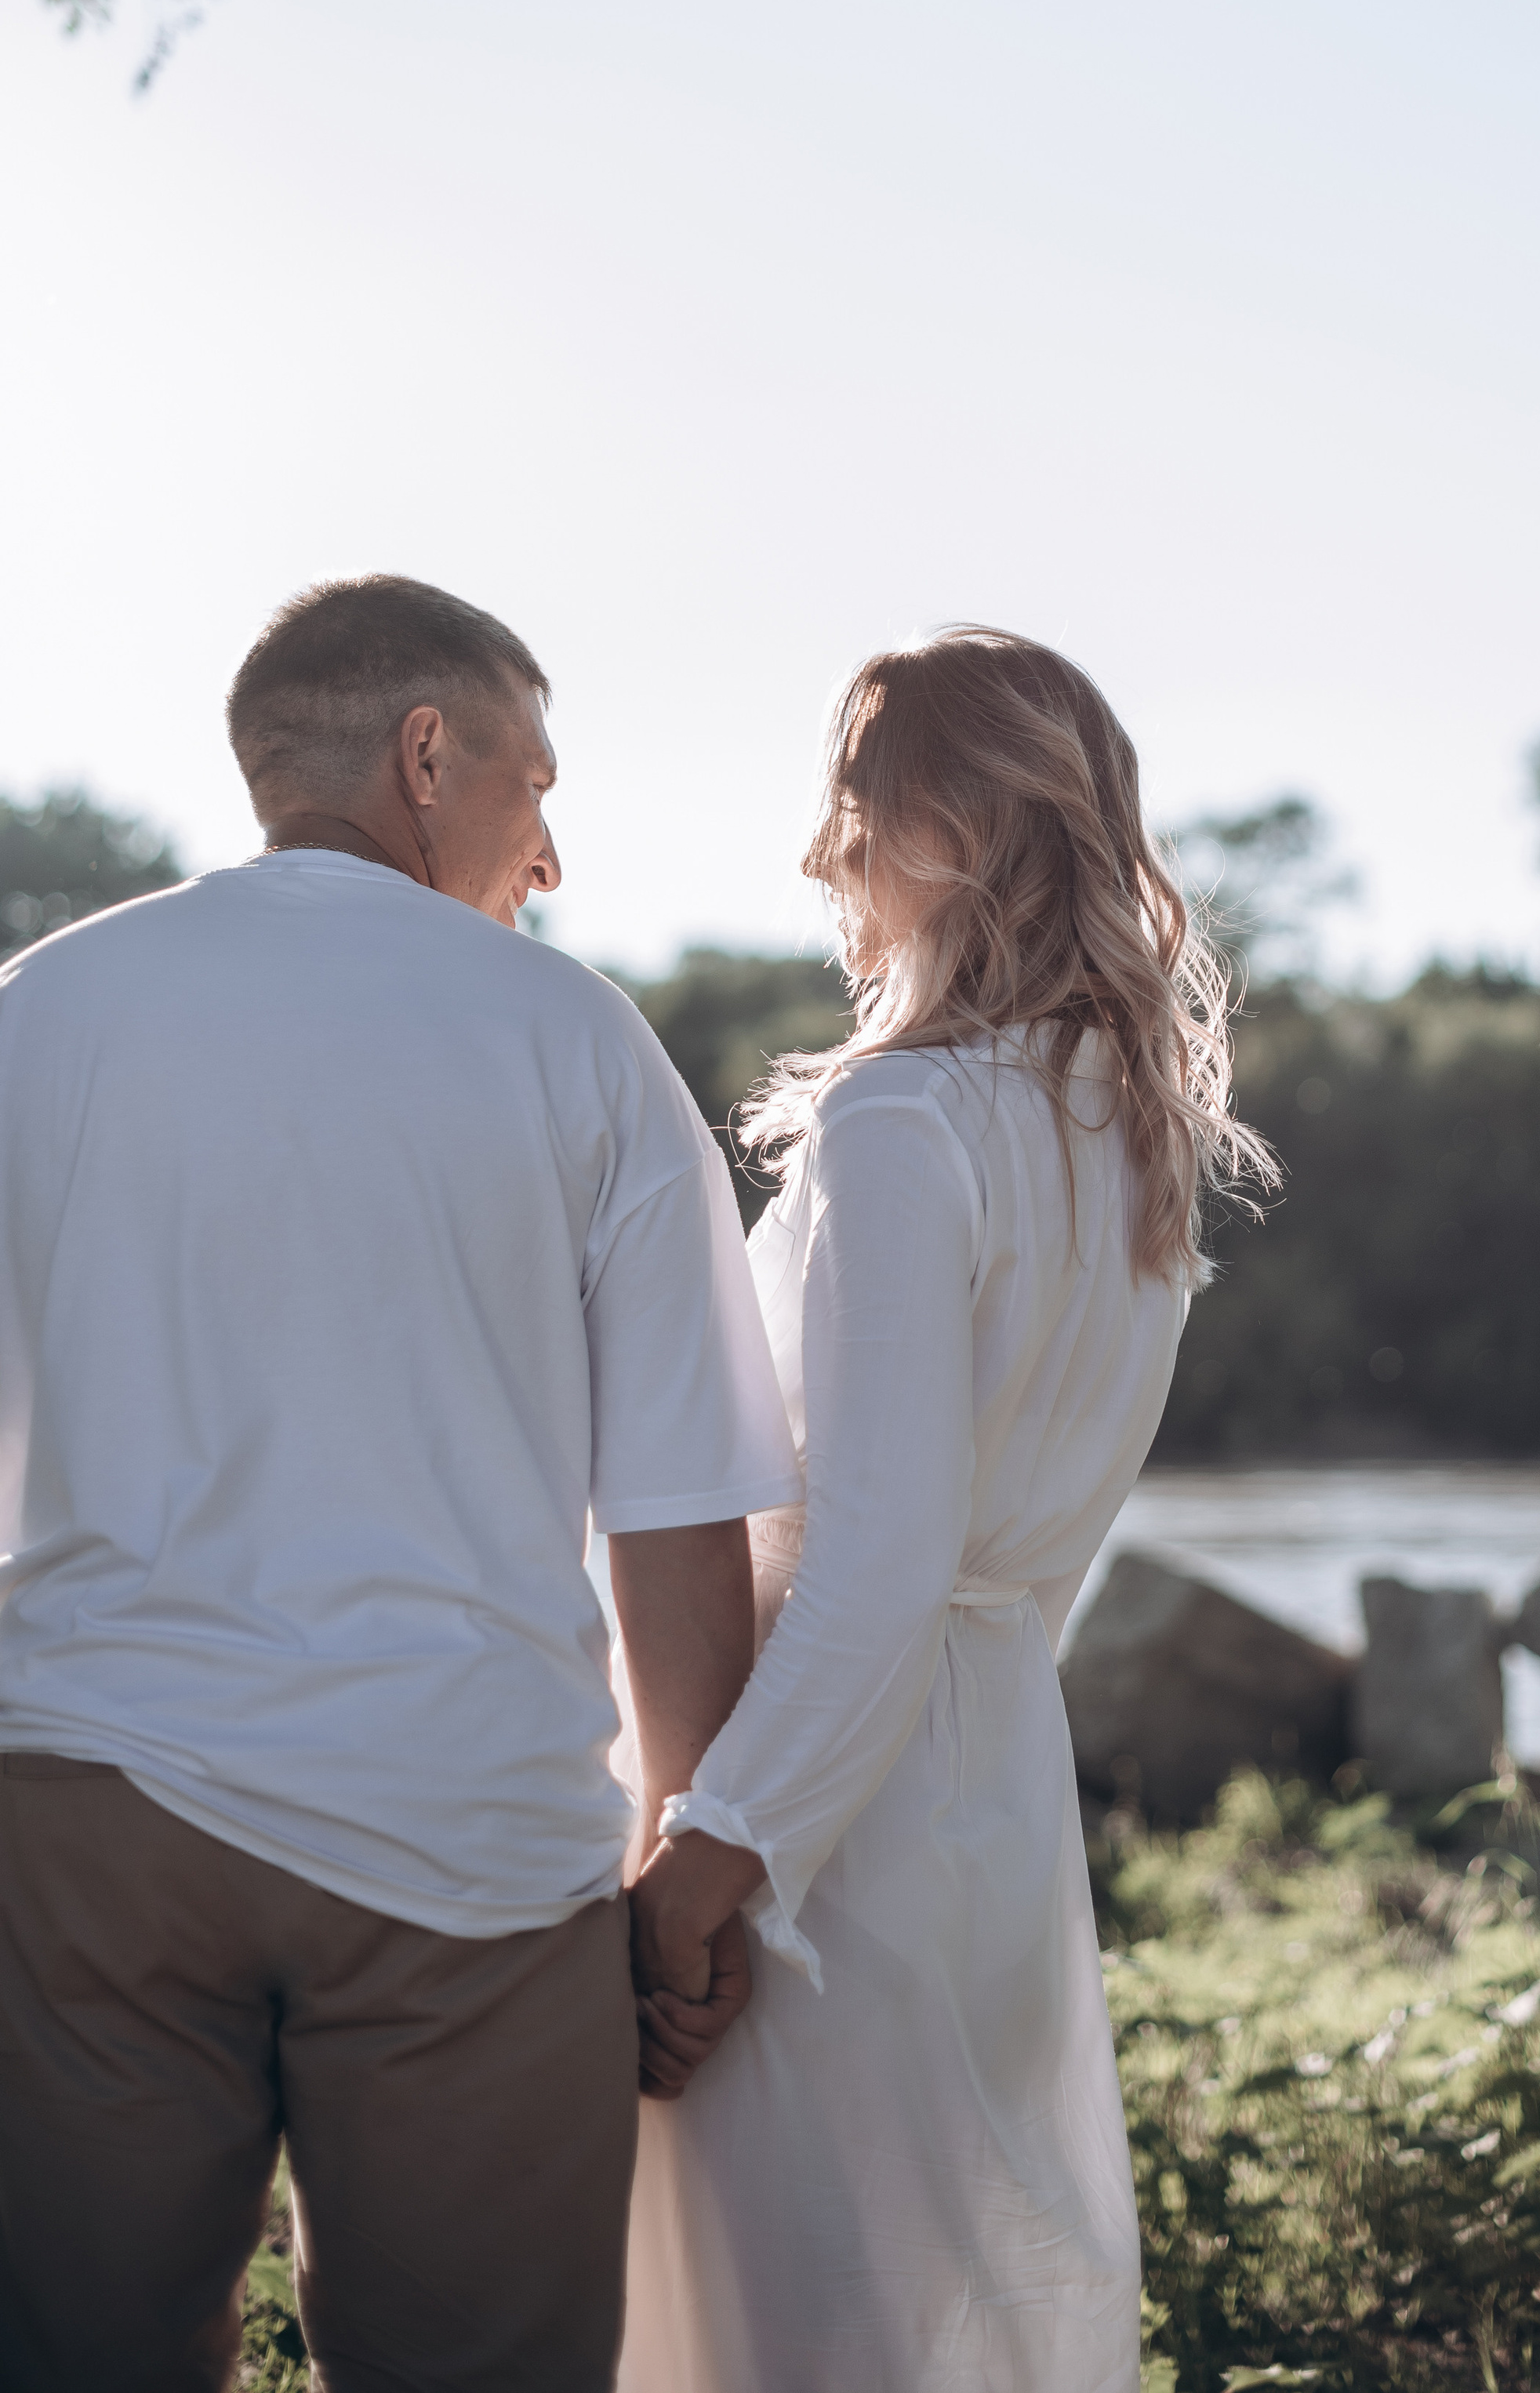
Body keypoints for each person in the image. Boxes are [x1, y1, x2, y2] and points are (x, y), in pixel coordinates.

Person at [0, 575, 801, 2393]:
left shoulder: (34, 1013)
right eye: (535, 781)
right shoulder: (568, 1035)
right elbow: (673, 1508)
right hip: (467, 1842)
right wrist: (680, 1862)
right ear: (424, 756)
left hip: (88, 1826)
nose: (554, 849)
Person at [619, 627, 1274, 2392]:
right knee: (947, 2300)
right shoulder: (1127, 1127)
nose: (817, 853)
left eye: (849, 800)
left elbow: (881, 1556)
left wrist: (712, 1852)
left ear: (947, 826)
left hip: (829, 1809)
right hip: (993, 1772)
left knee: (796, 2325)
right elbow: (995, 1564)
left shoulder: (904, 1122)